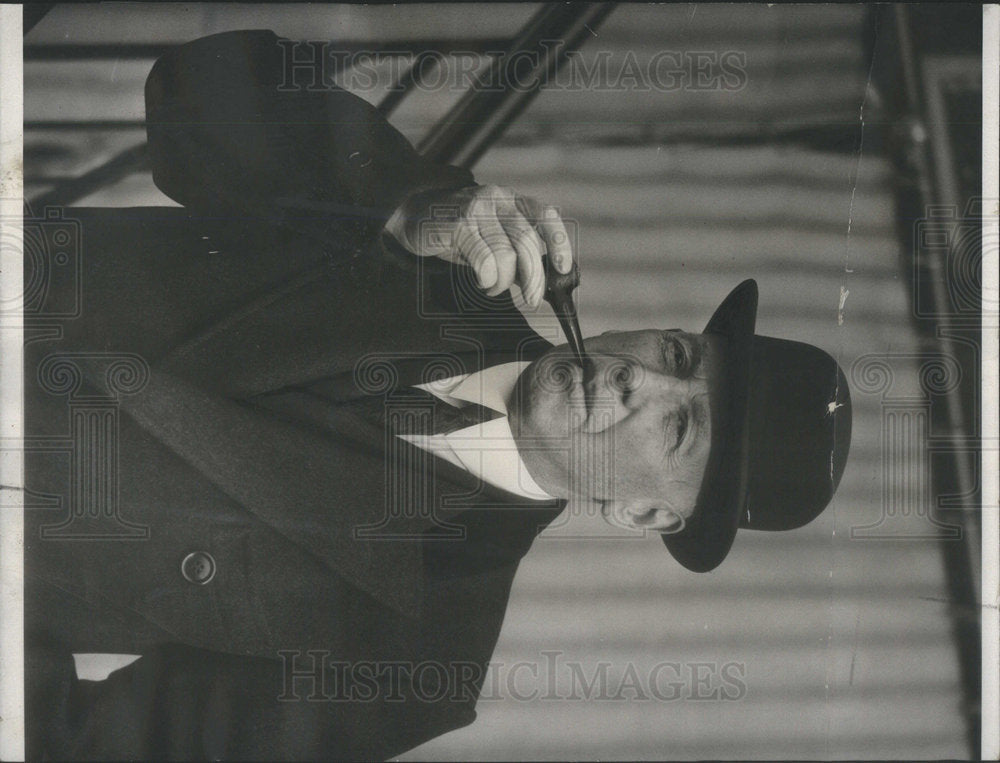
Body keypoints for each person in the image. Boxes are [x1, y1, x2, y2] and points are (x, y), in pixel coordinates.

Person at [23, 30, 852, 760]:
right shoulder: (440, 241)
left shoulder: (424, 657)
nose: (639, 377)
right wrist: (395, 201)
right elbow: (194, 87)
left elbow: (79, 746)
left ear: (643, 513)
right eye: (676, 351)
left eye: (680, 425)